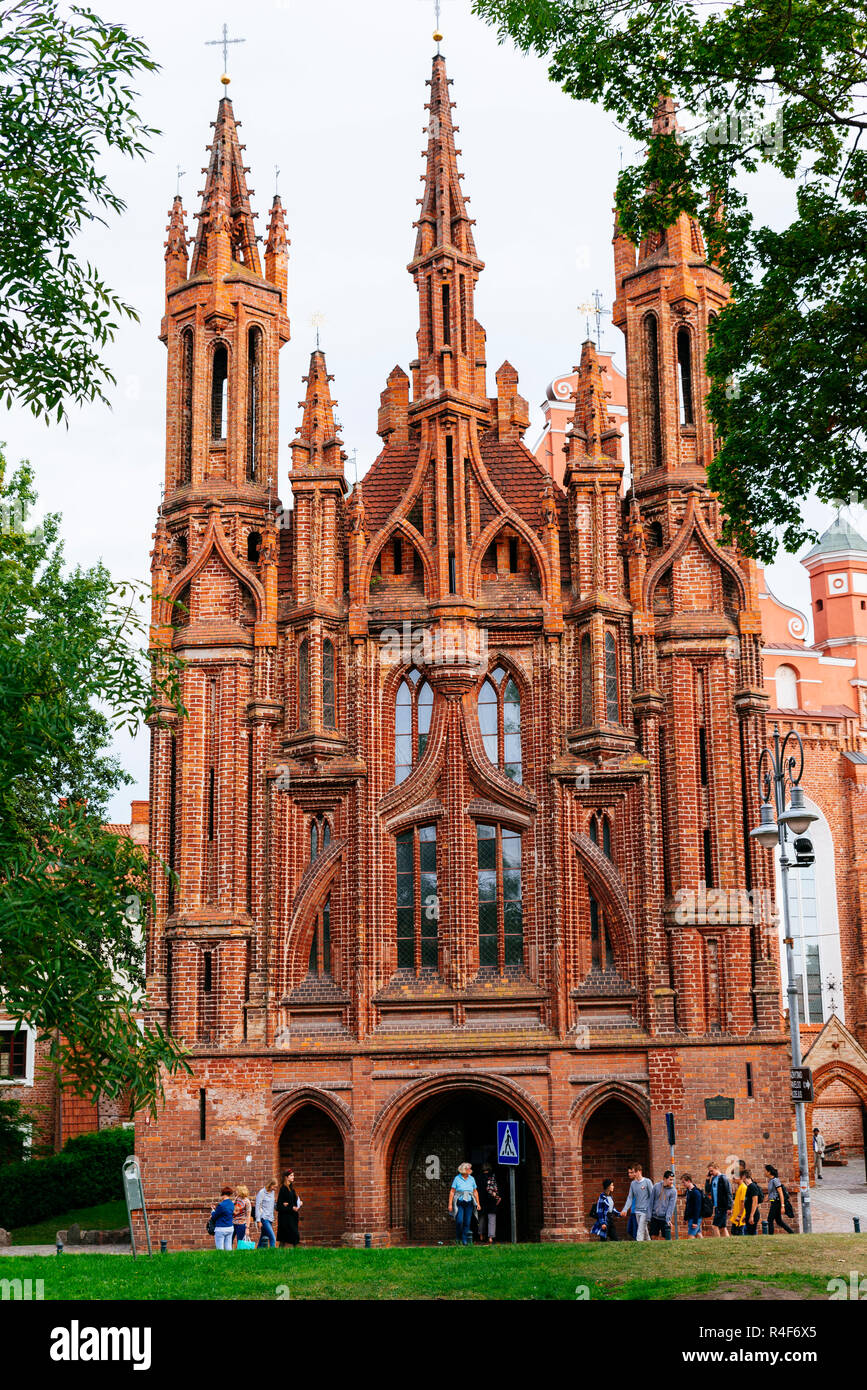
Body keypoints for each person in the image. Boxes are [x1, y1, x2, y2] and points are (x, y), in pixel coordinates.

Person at [448, 1161, 480, 1245]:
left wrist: (478, 1203)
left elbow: (475, 1191)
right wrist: (450, 1204)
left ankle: (464, 1239)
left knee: (467, 1222)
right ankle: (458, 1237)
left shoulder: (472, 1179)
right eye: (469, 1168)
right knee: (459, 1221)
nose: (470, 1170)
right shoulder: (457, 1178)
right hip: (459, 1203)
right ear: (464, 1169)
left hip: (469, 1203)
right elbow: (452, 1192)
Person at [620, 1162, 654, 1241]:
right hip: (637, 1211)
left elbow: (652, 1196)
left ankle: (639, 1245)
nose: (634, 1174)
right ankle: (649, 1243)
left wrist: (652, 1209)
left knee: (640, 1230)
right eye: (633, 1172)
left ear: (639, 1171)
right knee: (644, 1230)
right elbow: (630, 1198)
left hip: (645, 1211)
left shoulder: (647, 1182)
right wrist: (625, 1209)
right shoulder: (633, 1184)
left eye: (635, 1172)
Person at [765, 1164, 793, 1234]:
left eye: (765, 1171)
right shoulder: (771, 1180)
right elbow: (772, 1192)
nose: (764, 1172)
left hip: (776, 1202)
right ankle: (791, 1232)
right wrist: (768, 1197)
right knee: (779, 1221)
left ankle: (771, 1236)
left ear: (769, 1172)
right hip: (773, 1202)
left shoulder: (775, 1180)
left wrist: (782, 1206)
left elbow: (780, 1193)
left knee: (770, 1219)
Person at [276, 1169, 301, 1248]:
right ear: (286, 1177)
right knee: (285, 1236)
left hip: (292, 1216)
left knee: (294, 1235)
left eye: (293, 1175)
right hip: (285, 1218)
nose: (293, 1177)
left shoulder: (291, 1188)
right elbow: (279, 1206)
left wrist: (299, 1203)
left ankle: (295, 1251)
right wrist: (291, 1207)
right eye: (291, 1175)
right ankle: (281, 1250)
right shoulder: (283, 1189)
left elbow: (293, 1201)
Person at [649, 1170, 677, 1240]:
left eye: (673, 1180)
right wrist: (649, 1216)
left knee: (666, 1239)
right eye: (670, 1180)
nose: (672, 1182)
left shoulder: (673, 1191)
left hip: (664, 1219)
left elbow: (671, 1207)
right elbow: (651, 1202)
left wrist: (668, 1219)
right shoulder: (656, 1186)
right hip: (654, 1217)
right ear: (664, 1179)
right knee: (653, 1237)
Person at [707, 1162, 732, 1236]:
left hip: (722, 1206)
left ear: (717, 1168)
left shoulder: (723, 1178)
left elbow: (728, 1193)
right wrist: (707, 1179)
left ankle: (717, 1242)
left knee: (715, 1226)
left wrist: (729, 1207)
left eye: (712, 1171)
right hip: (717, 1206)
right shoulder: (713, 1179)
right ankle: (727, 1242)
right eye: (709, 1171)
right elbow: (707, 1190)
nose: (711, 1173)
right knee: (722, 1227)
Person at [478, 1164, 501, 1244]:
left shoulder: (479, 1177)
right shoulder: (492, 1177)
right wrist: (498, 1197)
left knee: (481, 1218)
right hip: (491, 1200)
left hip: (481, 1200)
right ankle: (491, 1237)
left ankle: (481, 1235)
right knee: (492, 1218)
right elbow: (496, 1188)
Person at [210, 1186, 235, 1251]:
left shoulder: (221, 1205)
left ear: (223, 1194)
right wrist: (216, 1209)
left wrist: (212, 1210)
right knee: (229, 1247)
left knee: (220, 1249)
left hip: (221, 1228)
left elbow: (214, 1216)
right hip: (230, 1227)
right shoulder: (232, 1204)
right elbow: (225, 1212)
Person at [255, 1179, 277, 1248]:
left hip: (270, 1218)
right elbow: (258, 1206)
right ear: (270, 1185)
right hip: (264, 1218)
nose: (275, 1189)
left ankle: (258, 1251)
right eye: (274, 1186)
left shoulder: (272, 1192)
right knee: (272, 1237)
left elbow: (273, 1204)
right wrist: (258, 1220)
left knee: (263, 1236)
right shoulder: (262, 1192)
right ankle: (273, 1254)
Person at [743, 1168, 762, 1235]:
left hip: (753, 1214)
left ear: (744, 1176)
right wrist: (746, 1215)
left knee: (751, 1234)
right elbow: (749, 1202)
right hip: (749, 1213)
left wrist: (751, 1216)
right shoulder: (748, 1187)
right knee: (749, 1233)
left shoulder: (752, 1187)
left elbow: (755, 1202)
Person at [233, 1184, 252, 1248]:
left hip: (241, 1224)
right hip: (232, 1223)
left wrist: (247, 1228)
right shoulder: (236, 1198)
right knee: (229, 1241)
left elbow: (248, 1215)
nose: (236, 1192)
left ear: (241, 1191)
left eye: (237, 1190)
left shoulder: (247, 1202)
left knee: (240, 1242)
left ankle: (239, 1255)